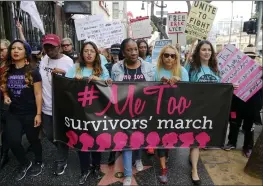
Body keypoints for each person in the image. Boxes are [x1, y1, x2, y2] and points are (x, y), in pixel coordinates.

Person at [186, 40, 239, 185]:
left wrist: (230, 87)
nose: (207, 52)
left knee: (201, 138)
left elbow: (220, 88)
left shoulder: (215, 68)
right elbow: (184, 86)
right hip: (195, 110)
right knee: (195, 139)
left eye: (209, 50)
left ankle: (192, 157)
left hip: (211, 110)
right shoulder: (192, 68)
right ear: (198, 52)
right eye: (203, 49)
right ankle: (195, 170)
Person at [111, 38, 155, 186]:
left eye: (135, 49)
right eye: (129, 50)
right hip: (124, 111)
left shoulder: (148, 67)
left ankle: (138, 159)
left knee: (139, 138)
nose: (134, 52)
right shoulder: (116, 68)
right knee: (126, 142)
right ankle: (128, 174)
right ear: (123, 52)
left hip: (142, 111)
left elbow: (153, 87)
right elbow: (112, 89)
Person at [66, 41, 110, 185]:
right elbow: (64, 85)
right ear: (82, 53)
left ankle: (96, 166)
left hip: (97, 113)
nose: (89, 54)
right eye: (86, 51)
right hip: (79, 113)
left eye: (92, 51)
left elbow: (111, 87)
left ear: (96, 53)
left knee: (97, 139)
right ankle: (84, 169)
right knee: (81, 141)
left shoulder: (102, 69)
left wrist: (99, 80)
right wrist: (73, 81)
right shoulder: (75, 68)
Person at [0, 40, 43, 180]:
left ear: (26, 52)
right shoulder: (7, 70)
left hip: (30, 113)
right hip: (13, 113)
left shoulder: (33, 71)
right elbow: (4, 88)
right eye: (13, 48)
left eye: (19, 48)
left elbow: (38, 94)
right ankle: (25, 163)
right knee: (13, 141)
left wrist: (38, 114)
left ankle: (39, 161)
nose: (15, 51)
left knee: (33, 139)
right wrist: (6, 96)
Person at [39, 34, 74, 175]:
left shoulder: (68, 62)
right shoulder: (43, 60)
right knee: (49, 134)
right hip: (46, 105)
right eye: (46, 46)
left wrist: (64, 74)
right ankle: (64, 147)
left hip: (61, 107)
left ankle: (61, 160)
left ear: (59, 47)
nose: (49, 50)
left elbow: (73, 84)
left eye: (52, 47)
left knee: (59, 135)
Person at [154, 45, 189, 184]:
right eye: (166, 55)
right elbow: (148, 90)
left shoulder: (182, 71)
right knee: (160, 138)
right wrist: (158, 83)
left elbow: (189, 92)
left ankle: (166, 152)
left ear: (176, 58)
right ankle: (163, 169)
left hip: (176, 111)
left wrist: (179, 80)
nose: (169, 58)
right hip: (159, 110)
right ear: (162, 56)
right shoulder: (156, 71)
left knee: (169, 138)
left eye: (172, 55)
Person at [224, 44, 262, 158]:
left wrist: (260, 105)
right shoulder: (235, 70)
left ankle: (248, 147)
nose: (250, 59)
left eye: (252, 57)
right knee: (234, 123)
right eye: (247, 56)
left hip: (252, 105)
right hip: (236, 104)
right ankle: (232, 142)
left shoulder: (260, 72)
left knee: (249, 127)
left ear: (255, 58)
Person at [0, 39, 10, 169]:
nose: (0, 53)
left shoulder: (12, 65)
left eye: (2, 50)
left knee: (5, 127)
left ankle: (4, 154)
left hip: (6, 100)